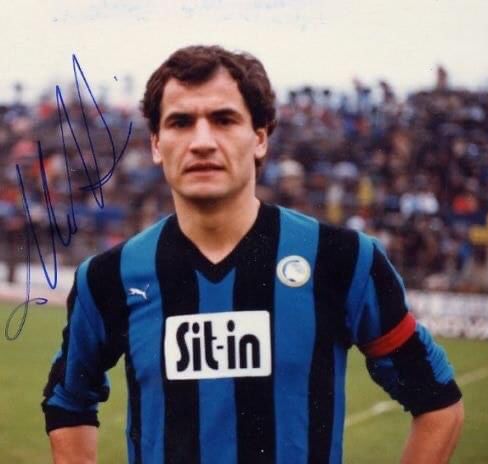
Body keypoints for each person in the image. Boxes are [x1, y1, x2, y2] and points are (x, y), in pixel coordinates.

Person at [42, 45, 464, 464]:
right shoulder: (108, 277)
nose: (202, 142)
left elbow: (438, 401)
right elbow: (68, 401)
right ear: (156, 143)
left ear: (260, 137)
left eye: (224, 120)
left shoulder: (344, 259)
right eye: (181, 122)